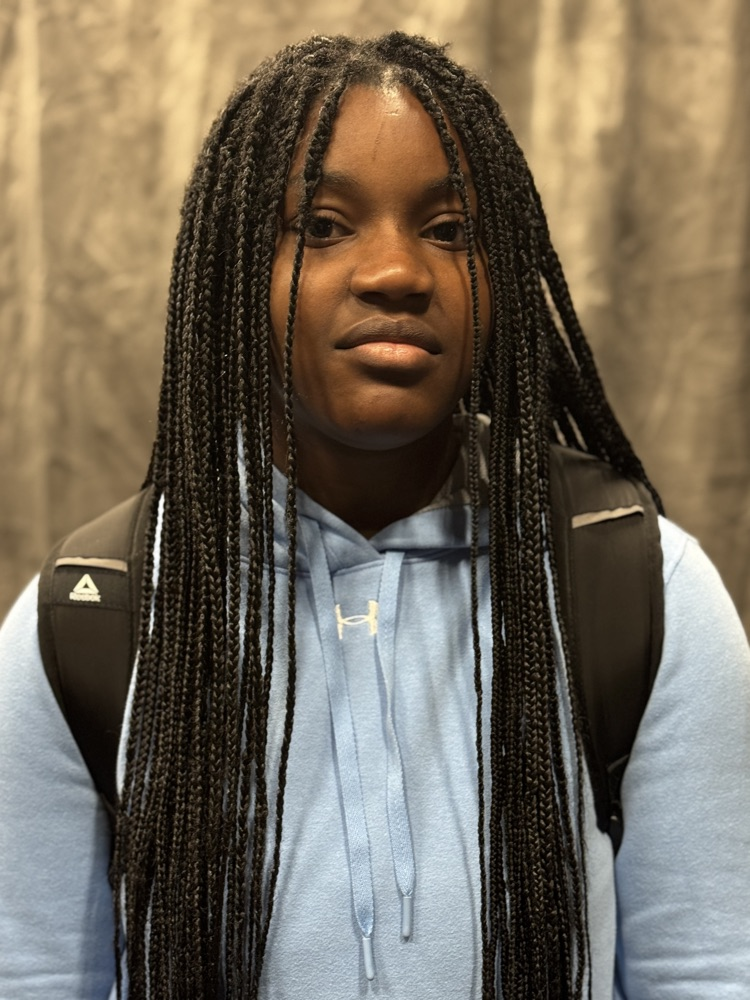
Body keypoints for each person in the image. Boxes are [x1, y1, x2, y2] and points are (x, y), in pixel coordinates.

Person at [0, 31, 748, 1000]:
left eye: (447, 230)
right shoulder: (93, 618)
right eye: (320, 226)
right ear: (231, 274)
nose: (396, 271)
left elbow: (712, 967)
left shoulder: (640, 587)